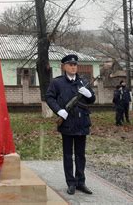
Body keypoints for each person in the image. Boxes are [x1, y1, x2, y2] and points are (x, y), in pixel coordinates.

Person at [46, 54, 96, 196]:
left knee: (81, 155)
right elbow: (49, 97)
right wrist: (59, 110)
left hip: (82, 123)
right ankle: (71, 183)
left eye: (75, 65)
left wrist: (89, 94)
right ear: (64, 67)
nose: (73, 67)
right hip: (67, 123)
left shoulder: (83, 81)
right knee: (68, 155)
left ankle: (81, 182)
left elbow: (92, 100)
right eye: (70, 65)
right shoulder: (57, 83)